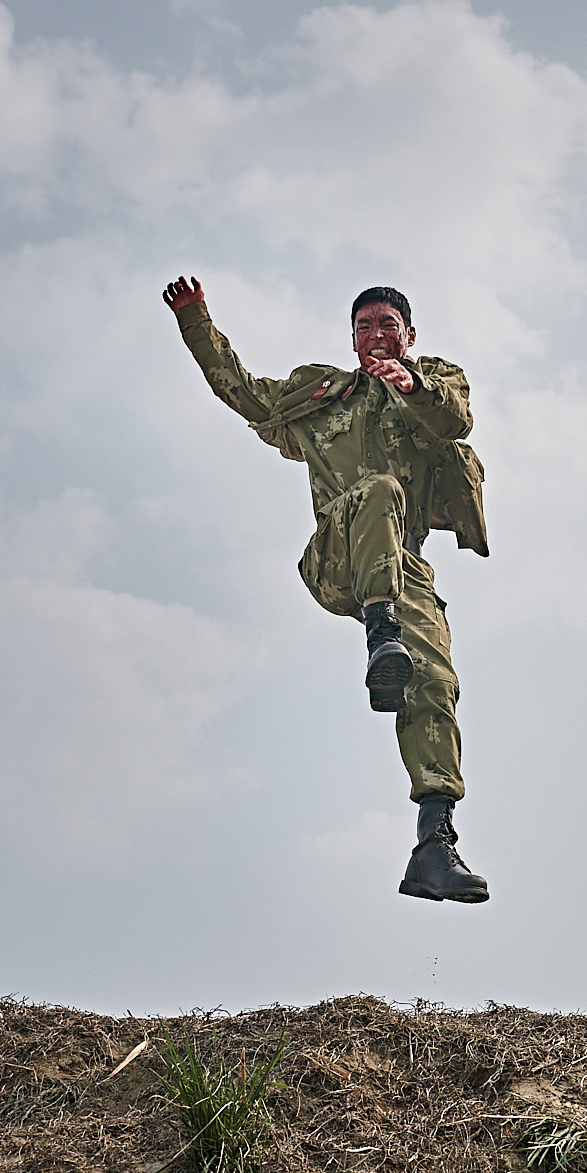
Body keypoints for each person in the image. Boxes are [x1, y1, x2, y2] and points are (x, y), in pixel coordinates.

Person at [163, 275, 490, 904]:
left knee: (435, 684)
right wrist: (195, 319)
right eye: (365, 327)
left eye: (387, 326)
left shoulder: (434, 382)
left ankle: (434, 845)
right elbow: (244, 393)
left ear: (409, 335)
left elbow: (456, 417)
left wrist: (412, 384)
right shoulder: (324, 397)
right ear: (352, 337)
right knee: (378, 491)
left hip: (404, 568)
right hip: (338, 554)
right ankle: (381, 635)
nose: (376, 336)